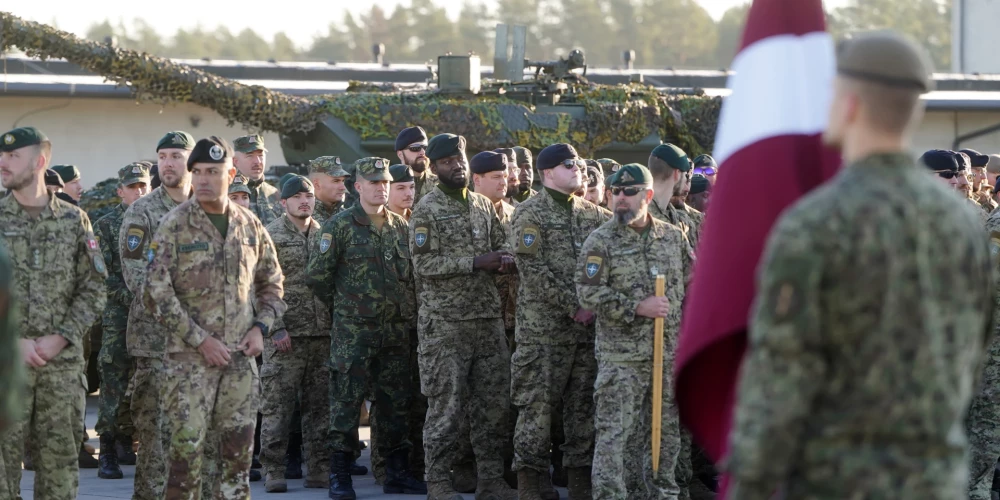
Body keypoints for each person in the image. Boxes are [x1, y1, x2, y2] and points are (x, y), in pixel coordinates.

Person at [725, 31, 995, 498]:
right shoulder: (964, 223)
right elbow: (972, 352)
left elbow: (779, 380)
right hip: (932, 478)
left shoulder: (815, 221)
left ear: (848, 104)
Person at [145, 136, 286, 499]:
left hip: (239, 364)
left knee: (237, 464)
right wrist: (200, 340)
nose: (204, 179)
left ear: (231, 173)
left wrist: (260, 328)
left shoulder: (250, 225)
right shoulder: (174, 225)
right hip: (188, 366)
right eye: (198, 172)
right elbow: (157, 293)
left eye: (213, 171)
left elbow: (272, 284)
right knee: (184, 462)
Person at [307, 157, 426, 498]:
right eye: (374, 183)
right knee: (345, 404)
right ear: (358, 186)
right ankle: (339, 476)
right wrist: (345, 307)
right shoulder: (340, 226)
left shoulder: (400, 227)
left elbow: (410, 278)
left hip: (394, 332)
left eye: (385, 182)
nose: (381, 188)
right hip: (353, 333)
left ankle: (397, 473)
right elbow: (317, 277)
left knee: (395, 404)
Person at [0, 125, 107, 498]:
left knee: (59, 478)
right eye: (1, 155)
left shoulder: (74, 221)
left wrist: (59, 337)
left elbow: (94, 287)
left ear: (39, 160)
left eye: (14, 156)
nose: (3, 163)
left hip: (60, 370)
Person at [576, 163, 693, 500]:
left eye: (630, 191)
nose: (621, 198)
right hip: (621, 359)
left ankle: (662, 494)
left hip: (665, 355)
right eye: (616, 192)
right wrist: (637, 306)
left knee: (664, 435)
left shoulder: (671, 236)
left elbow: (692, 277)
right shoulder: (601, 241)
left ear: (648, 195)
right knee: (615, 436)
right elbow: (588, 293)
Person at [409, 133, 515, 500]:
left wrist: (506, 260)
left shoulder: (482, 206)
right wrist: (473, 263)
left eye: (460, 159)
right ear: (435, 167)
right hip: (445, 325)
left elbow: (503, 245)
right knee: (446, 406)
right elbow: (423, 264)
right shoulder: (427, 209)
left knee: (492, 404)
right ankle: (437, 481)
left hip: (486, 320)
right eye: (448, 162)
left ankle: (490, 479)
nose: (457, 166)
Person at [509, 143, 610, 500]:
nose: (579, 168)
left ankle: (579, 478)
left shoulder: (594, 216)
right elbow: (532, 270)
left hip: (585, 334)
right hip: (543, 333)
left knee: (582, 408)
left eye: (581, 163)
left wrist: (593, 305)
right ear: (548, 172)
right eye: (570, 164)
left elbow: (605, 267)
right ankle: (531, 480)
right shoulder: (529, 213)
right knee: (536, 408)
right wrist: (574, 305)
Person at [119, 130, 195, 500]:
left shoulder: (212, 209)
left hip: (203, 343)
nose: (167, 162)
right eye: (162, 156)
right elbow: (135, 275)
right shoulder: (143, 211)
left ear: (192, 163)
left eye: (176, 156)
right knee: (155, 435)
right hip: (156, 341)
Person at [258, 175, 332, 492]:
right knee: (278, 408)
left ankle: (319, 468)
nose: (305, 200)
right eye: (297, 196)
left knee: (320, 409)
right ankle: (273, 470)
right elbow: (259, 287)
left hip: (322, 335)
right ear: (283, 202)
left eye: (309, 195)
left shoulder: (325, 234)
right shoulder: (270, 235)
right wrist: (276, 327)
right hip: (285, 338)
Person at [94, 162, 150, 479]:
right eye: (133, 187)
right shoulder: (105, 225)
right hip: (119, 315)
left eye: (143, 186)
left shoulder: (161, 221)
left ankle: (141, 444)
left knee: (149, 381)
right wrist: (133, 299)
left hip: (152, 317)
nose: (139, 191)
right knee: (113, 380)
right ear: (120, 191)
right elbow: (103, 275)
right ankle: (107, 452)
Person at [647, 144, 703, 249]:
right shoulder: (640, 218)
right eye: (685, 176)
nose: (687, 186)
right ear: (677, 174)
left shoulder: (682, 219)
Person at [232, 134, 283, 225]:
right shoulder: (226, 193)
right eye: (250, 156)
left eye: (260, 155)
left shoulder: (274, 194)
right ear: (235, 161)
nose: (258, 161)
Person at [395, 126, 438, 204]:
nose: (422, 152)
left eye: (425, 148)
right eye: (415, 148)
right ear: (400, 154)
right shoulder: (389, 185)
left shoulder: (440, 185)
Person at [309, 156, 351, 224]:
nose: (343, 188)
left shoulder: (349, 216)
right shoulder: (303, 218)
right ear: (317, 184)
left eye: (343, 181)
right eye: (336, 181)